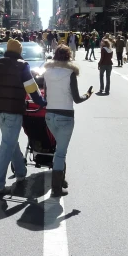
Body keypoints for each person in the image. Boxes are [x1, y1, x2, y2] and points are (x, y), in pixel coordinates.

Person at [0, 38, 47, 195]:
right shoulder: (22, 65)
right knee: (7, 145)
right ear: (19, 52)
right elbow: (32, 88)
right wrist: (41, 102)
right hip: (13, 109)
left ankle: (21, 173)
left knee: (10, 141)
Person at [42, 45, 93, 197]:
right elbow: (77, 99)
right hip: (65, 115)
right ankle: (56, 188)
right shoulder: (70, 72)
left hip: (50, 115)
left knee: (59, 149)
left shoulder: (47, 72)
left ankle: (61, 180)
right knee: (61, 153)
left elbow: (45, 95)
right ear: (69, 56)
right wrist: (88, 95)